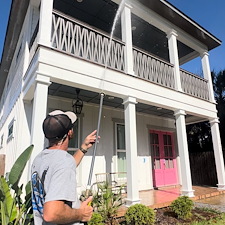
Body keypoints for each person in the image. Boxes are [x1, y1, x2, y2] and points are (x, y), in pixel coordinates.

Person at [31, 110, 98, 225]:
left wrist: (84, 147)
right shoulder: (63, 162)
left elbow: (63, 169)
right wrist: (81, 214)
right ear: (70, 132)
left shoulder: (40, 158)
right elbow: (51, 214)